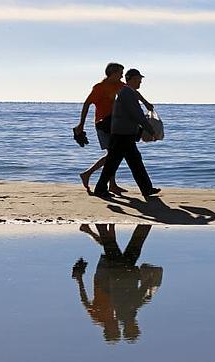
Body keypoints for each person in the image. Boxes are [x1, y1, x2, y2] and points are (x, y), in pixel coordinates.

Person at [72, 224, 163, 343]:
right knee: (113, 244)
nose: (137, 326)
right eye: (136, 328)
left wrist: (149, 283)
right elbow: (134, 296)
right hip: (118, 271)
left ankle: (145, 223)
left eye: (134, 328)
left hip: (122, 270)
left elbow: (138, 295)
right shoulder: (123, 314)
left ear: (128, 328)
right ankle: (102, 223)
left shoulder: (126, 313)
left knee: (132, 242)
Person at [74, 63, 154, 194]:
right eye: (120, 73)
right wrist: (81, 124)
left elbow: (134, 91)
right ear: (113, 73)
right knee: (114, 155)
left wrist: (145, 102)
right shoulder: (100, 88)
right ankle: (95, 178)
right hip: (104, 123)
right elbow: (87, 104)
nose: (122, 75)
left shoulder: (120, 85)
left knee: (115, 154)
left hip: (117, 123)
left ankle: (107, 183)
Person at [93, 68, 160, 198]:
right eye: (139, 80)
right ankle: (100, 188)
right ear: (133, 79)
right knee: (115, 163)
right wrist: (151, 130)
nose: (140, 83)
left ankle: (147, 189)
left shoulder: (128, 92)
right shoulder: (127, 93)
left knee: (133, 161)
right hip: (122, 135)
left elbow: (135, 114)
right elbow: (137, 115)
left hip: (124, 133)